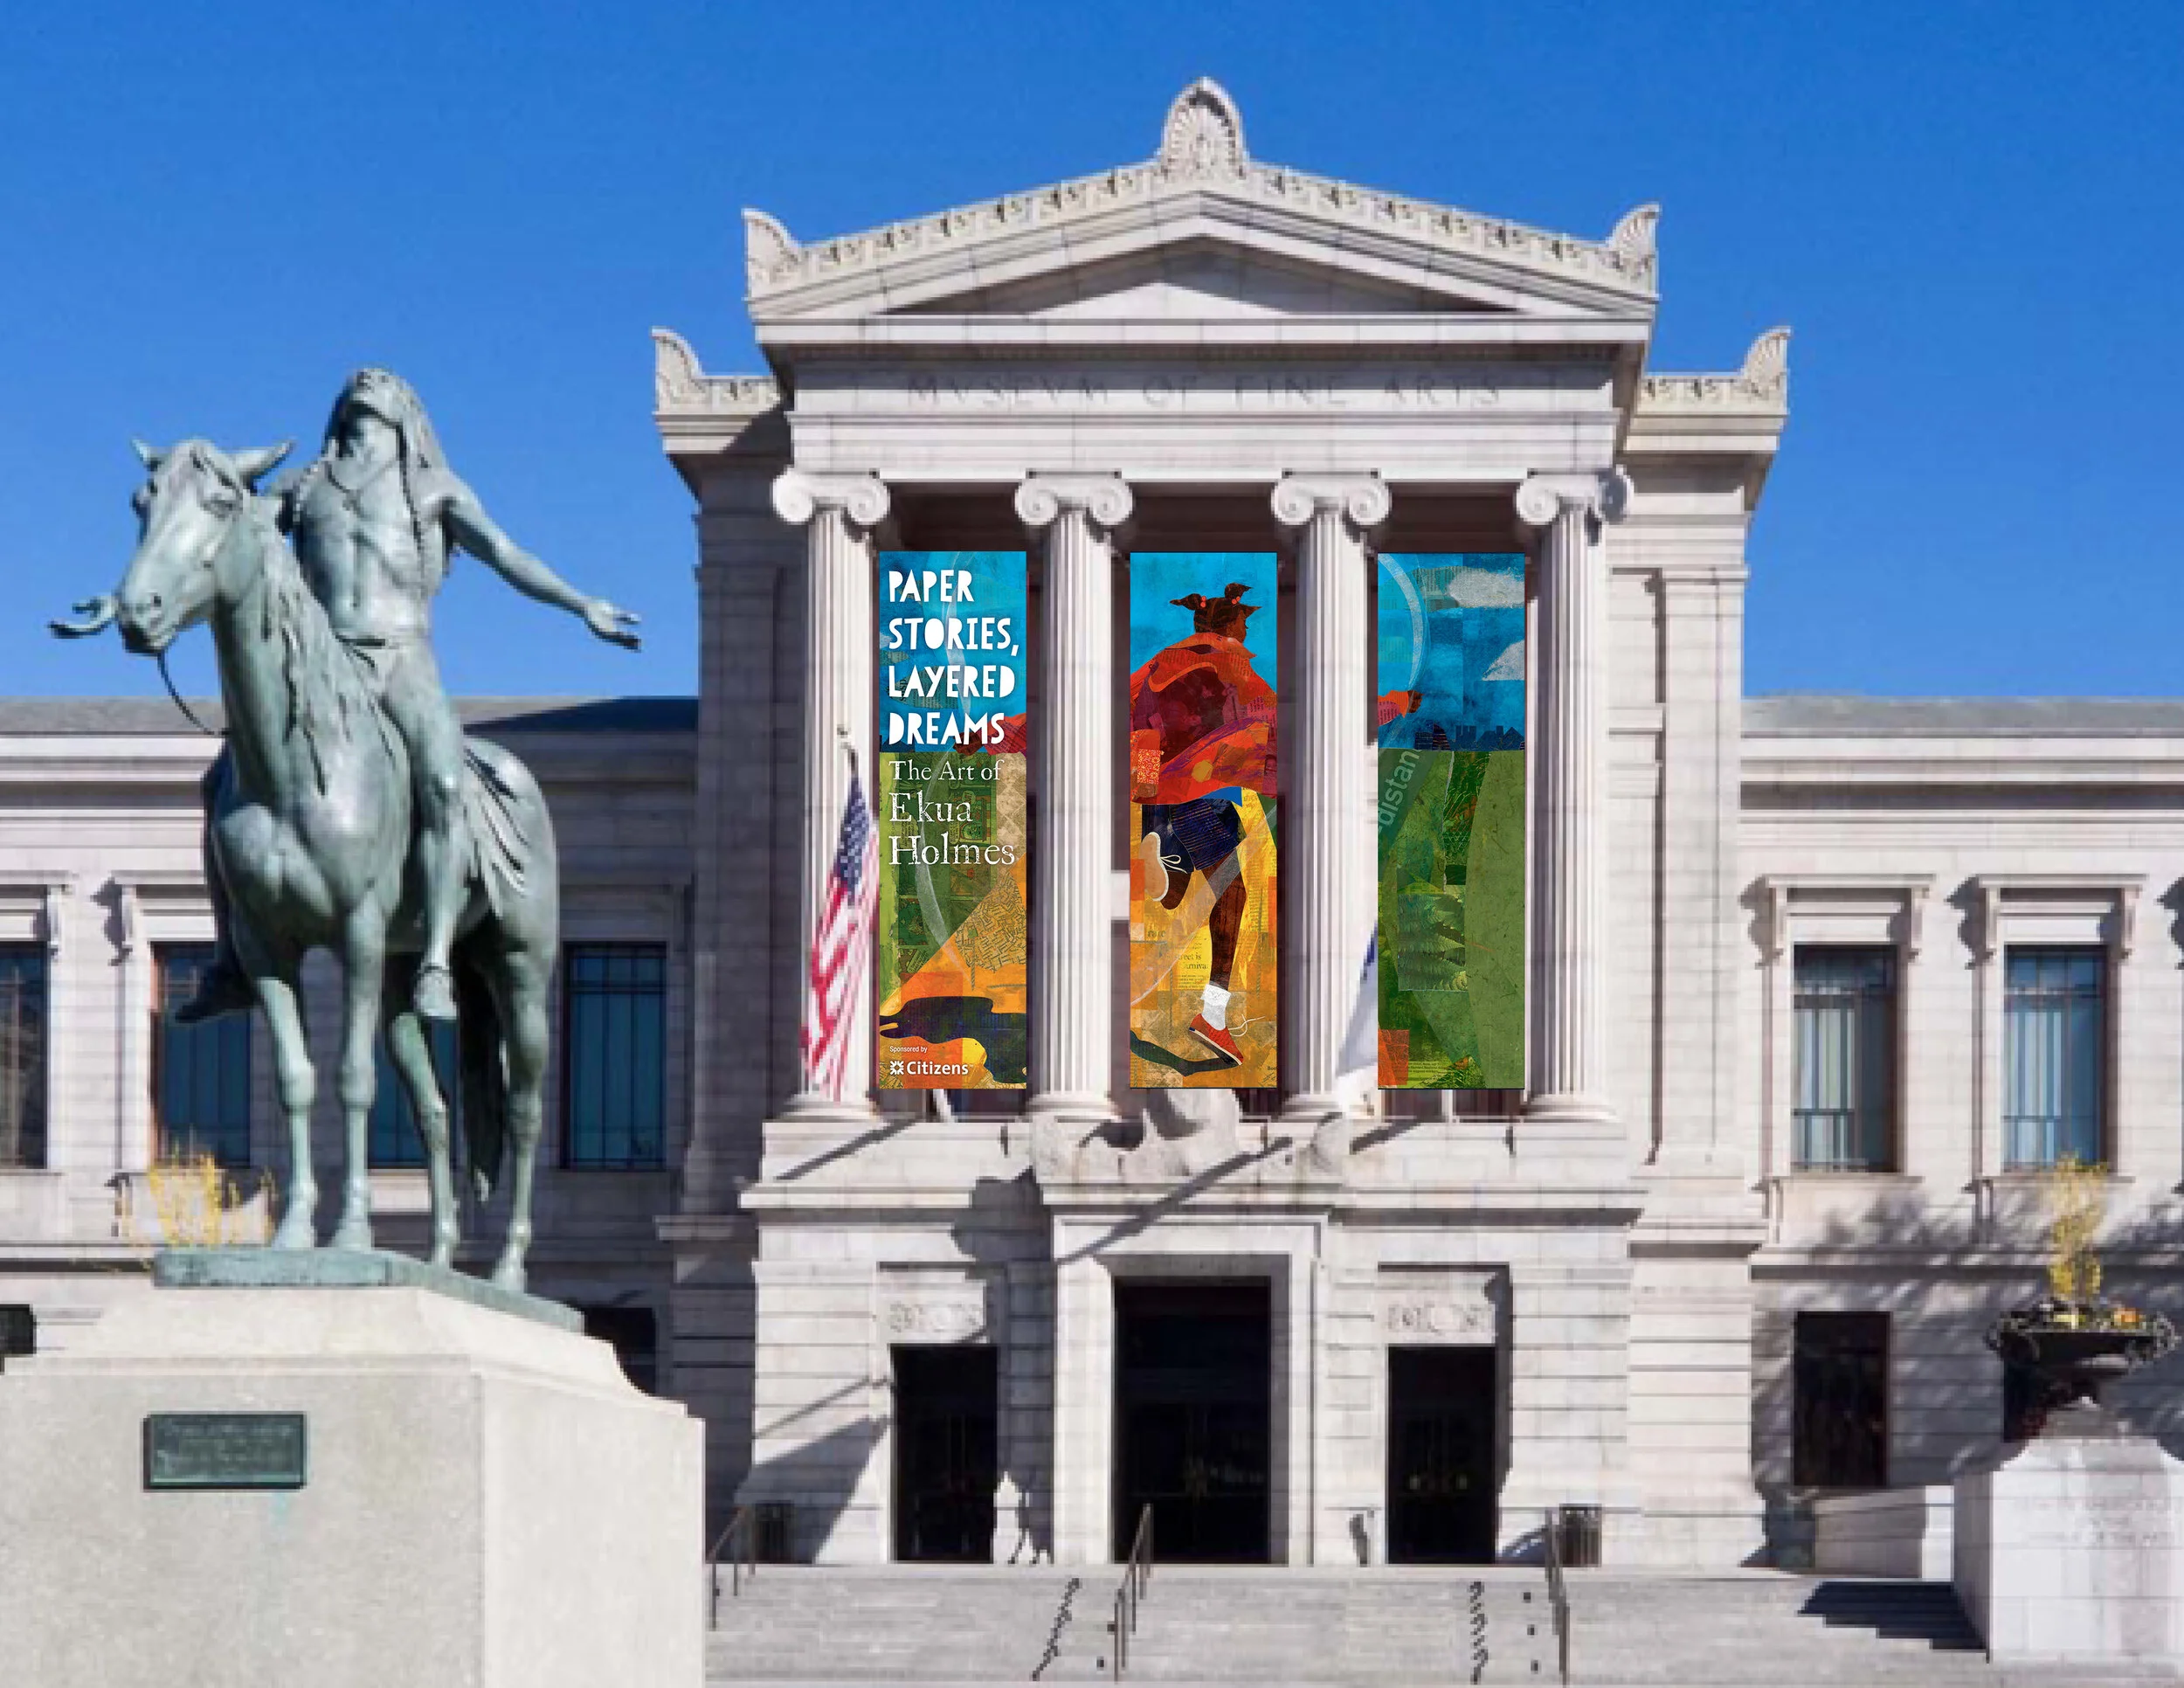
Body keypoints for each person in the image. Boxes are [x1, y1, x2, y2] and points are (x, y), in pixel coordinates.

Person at [175, 368, 640, 1023]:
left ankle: (436, 962)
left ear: (408, 412)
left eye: (384, 382)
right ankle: (231, 963)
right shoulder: (307, 487)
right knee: (216, 783)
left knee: (445, 783)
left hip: (401, 659)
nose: (368, 381)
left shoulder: (431, 489)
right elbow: (217, 539)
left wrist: (580, 604)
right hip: (327, 665)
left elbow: (507, 555)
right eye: (358, 382)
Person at [1130, 583, 1275, 1068]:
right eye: (1244, 624)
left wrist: (990, 734)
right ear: (1230, 625)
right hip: (1204, 792)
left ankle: (1162, 852)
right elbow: (1268, 711)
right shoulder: (1228, 659)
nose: (1246, 632)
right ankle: (1212, 1017)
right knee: (1232, 895)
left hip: (1154, 790)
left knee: (1172, 897)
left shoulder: (1156, 666)